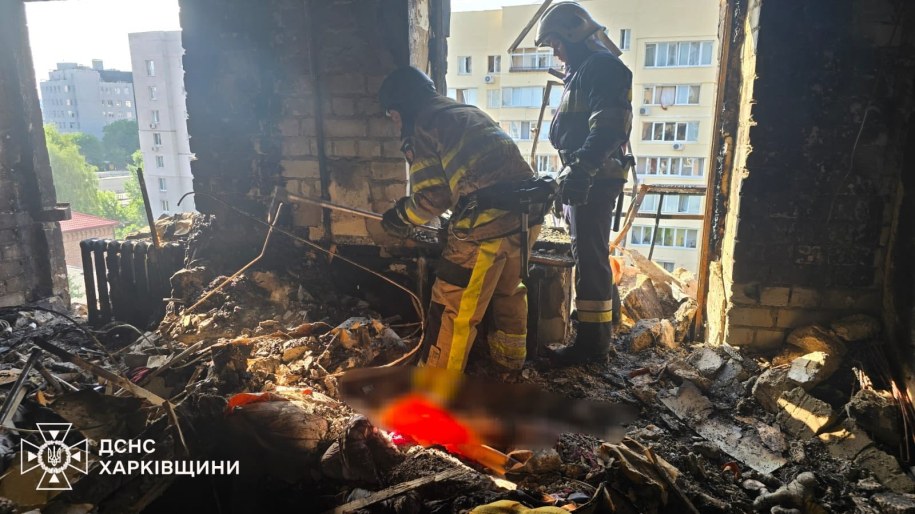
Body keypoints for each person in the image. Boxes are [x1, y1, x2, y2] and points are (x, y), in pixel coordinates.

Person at [377, 66, 546, 373]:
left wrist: (400, 217)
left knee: (451, 311)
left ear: (401, 108)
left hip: (486, 226)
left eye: (392, 115)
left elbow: (433, 197)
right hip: (526, 215)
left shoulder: (424, 125)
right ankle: (509, 367)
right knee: (510, 291)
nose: (394, 124)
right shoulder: (464, 111)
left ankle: (435, 393)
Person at [536, 2, 633, 365]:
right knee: (591, 254)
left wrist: (581, 171)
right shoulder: (584, 71)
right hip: (587, 177)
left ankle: (592, 345)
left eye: (556, 43)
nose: (556, 52)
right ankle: (605, 327)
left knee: (589, 258)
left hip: (594, 180)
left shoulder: (602, 68)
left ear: (574, 35)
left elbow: (609, 127)